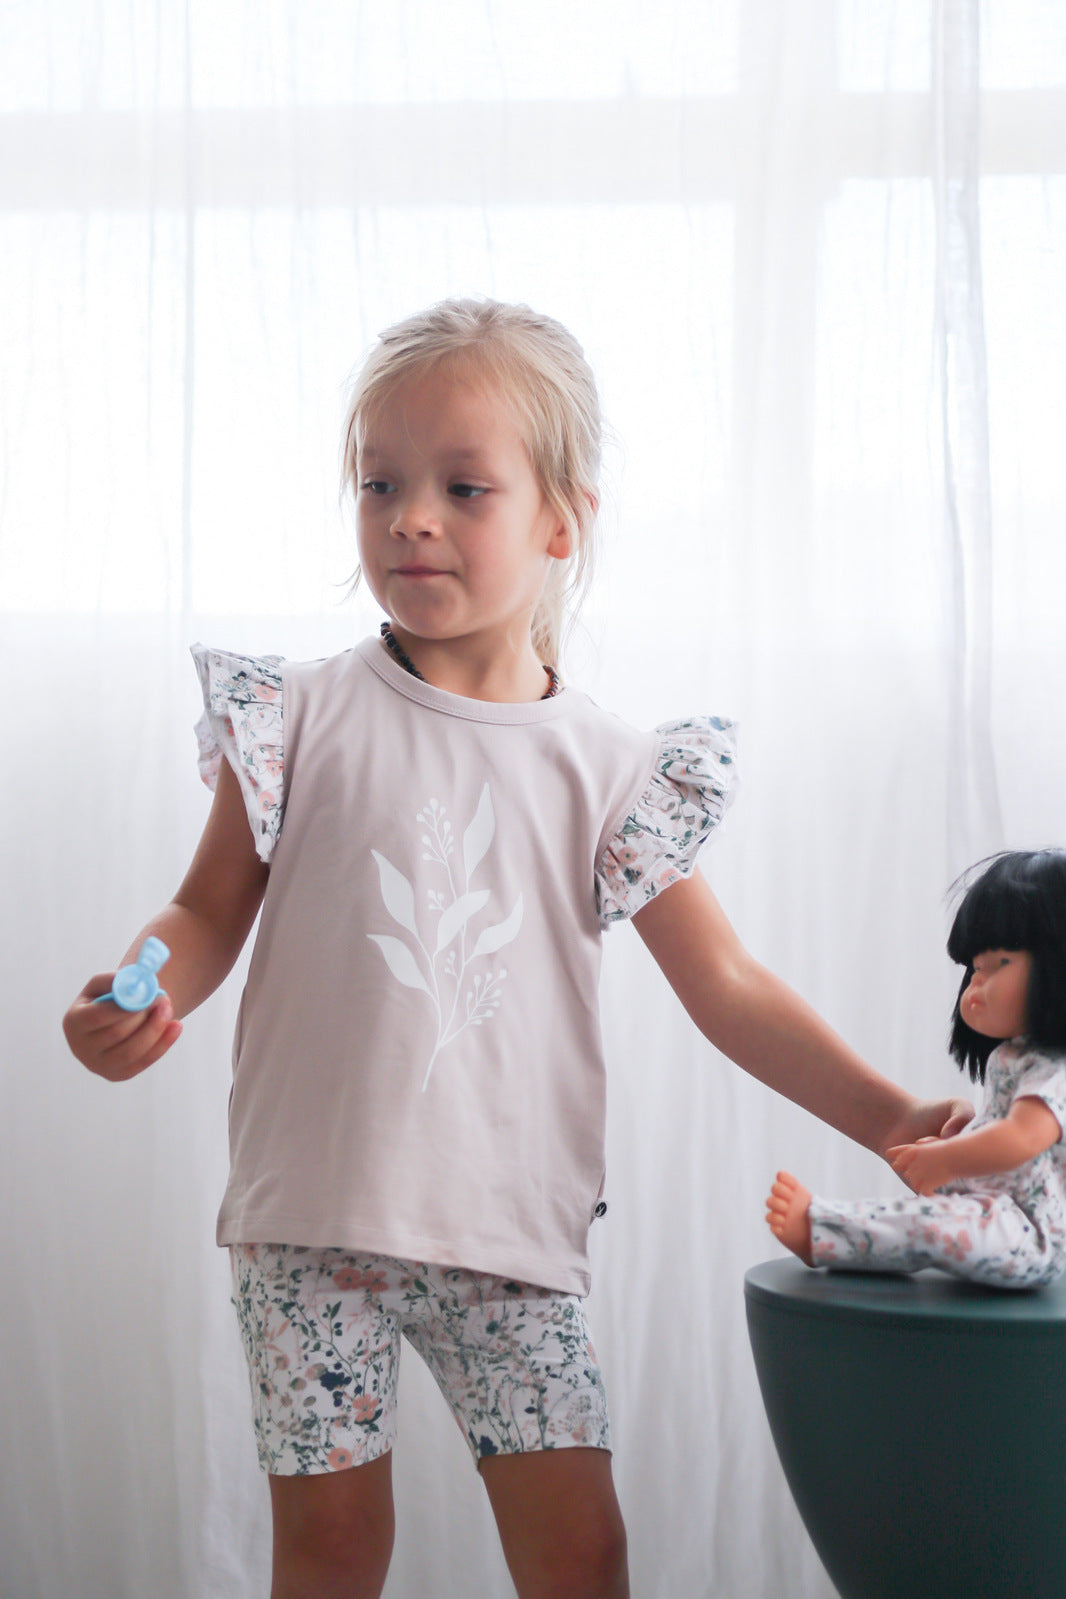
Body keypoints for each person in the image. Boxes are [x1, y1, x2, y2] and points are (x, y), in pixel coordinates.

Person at [63, 298, 971, 1599]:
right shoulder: (299, 716)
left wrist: (889, 1111)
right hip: (310, 1222)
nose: (408, 515)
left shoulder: (606, 767)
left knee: (578, 1549)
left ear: (560, 522)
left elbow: (722, 984)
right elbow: (206, 910)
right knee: (326, 1552)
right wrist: (137, 988)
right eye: (378, 482)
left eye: (459, 486)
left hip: (508, 1234)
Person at [767, 850, 1066, 1290]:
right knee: (933, 1215)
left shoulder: (1055, 1070)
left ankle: (823, 1232)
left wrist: (950, 1159)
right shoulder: (1015, 1057)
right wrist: (961, 1138)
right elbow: (1001, 1130)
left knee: (933, 1227)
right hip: (994, 1201)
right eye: (974, 968)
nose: (976, 984)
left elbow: (1022, 1138)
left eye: (999, 964)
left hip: (1029, 1234)